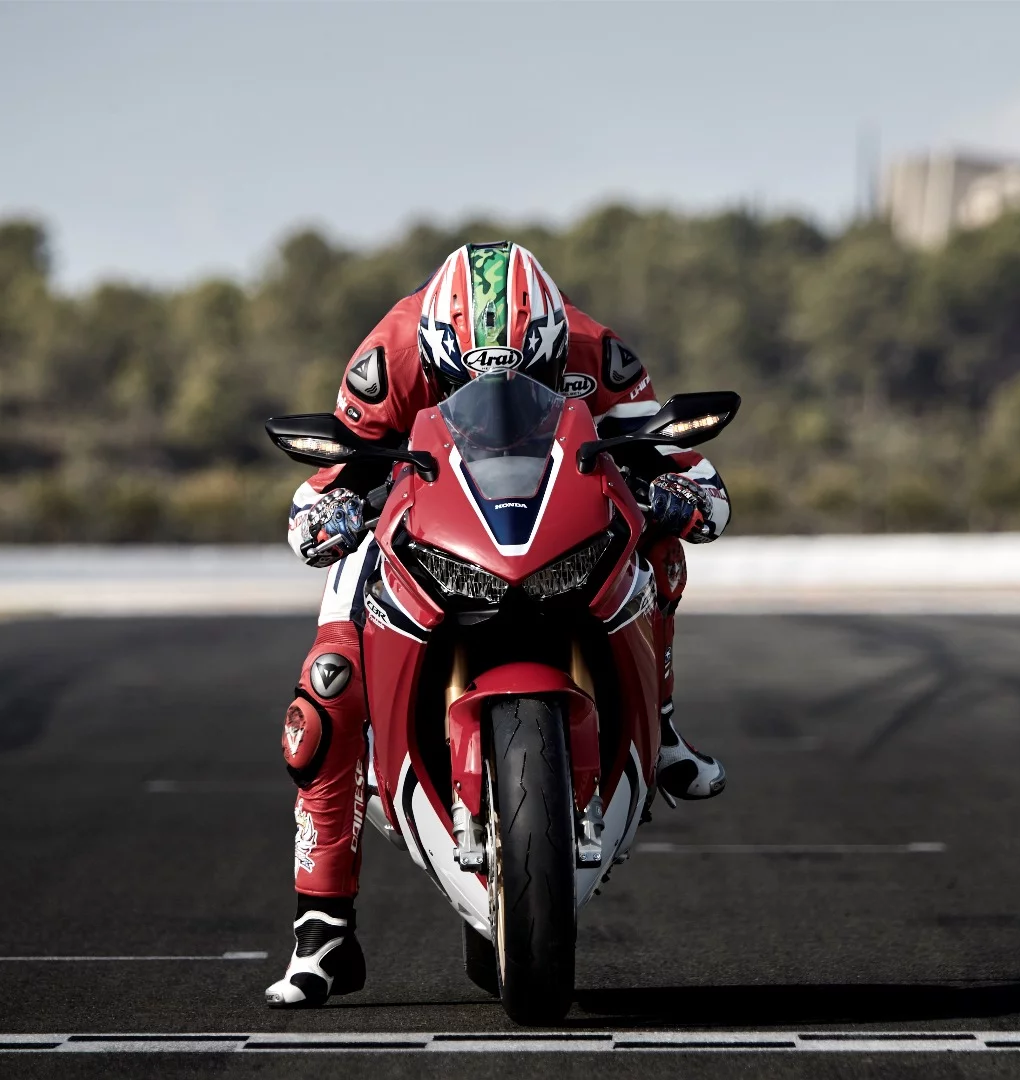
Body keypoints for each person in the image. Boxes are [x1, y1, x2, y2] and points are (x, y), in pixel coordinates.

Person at [265, 242, 731, 1007]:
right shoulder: (390, 355)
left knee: (661, 546)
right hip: (421, 526)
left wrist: (689, 497)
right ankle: (322, 927)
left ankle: (664, 723)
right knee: (326, 686)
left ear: (552, 343)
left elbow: (680, 460)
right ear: (438, 352)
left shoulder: (596, 352)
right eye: (465, 380)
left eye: (530, 374)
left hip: (557, 514)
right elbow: (324, 486)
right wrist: (332, 514)